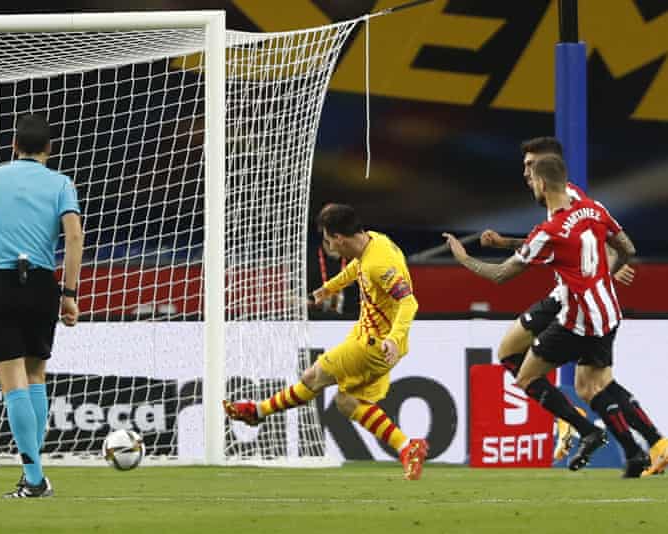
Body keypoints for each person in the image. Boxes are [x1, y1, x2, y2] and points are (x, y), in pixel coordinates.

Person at [444, 155, 651, 477]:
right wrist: (603, 276)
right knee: (592, 387)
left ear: (541, 183)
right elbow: (627, 248)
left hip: (579, 321)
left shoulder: (549, 231)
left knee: (526, 377)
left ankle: (586, 430)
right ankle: (635, 452)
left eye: (531, 179)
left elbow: (500, 275)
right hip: (609, 313)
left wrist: (463, 258)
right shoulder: (595, 208)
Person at [224, 203, 429, 480]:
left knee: (313, 377)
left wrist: (393, 338)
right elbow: (357, 268)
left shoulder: (380, 264)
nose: (329, 246)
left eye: (328, 240)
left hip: (374, 345)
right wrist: (327, 289)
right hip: (372, 338)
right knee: (347, 402)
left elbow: (408, 302)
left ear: (339, 238)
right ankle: (407, 447)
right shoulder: (374, 241)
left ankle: (257, 411)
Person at [0, 114, 83, 498]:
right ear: (49, 149)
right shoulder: (61, 183)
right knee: (36, 375)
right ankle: (33, 473)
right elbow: (74, 237)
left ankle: (35, 479)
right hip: (41, 282)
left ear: (13, 145)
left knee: (11, 381)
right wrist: (69, 294)